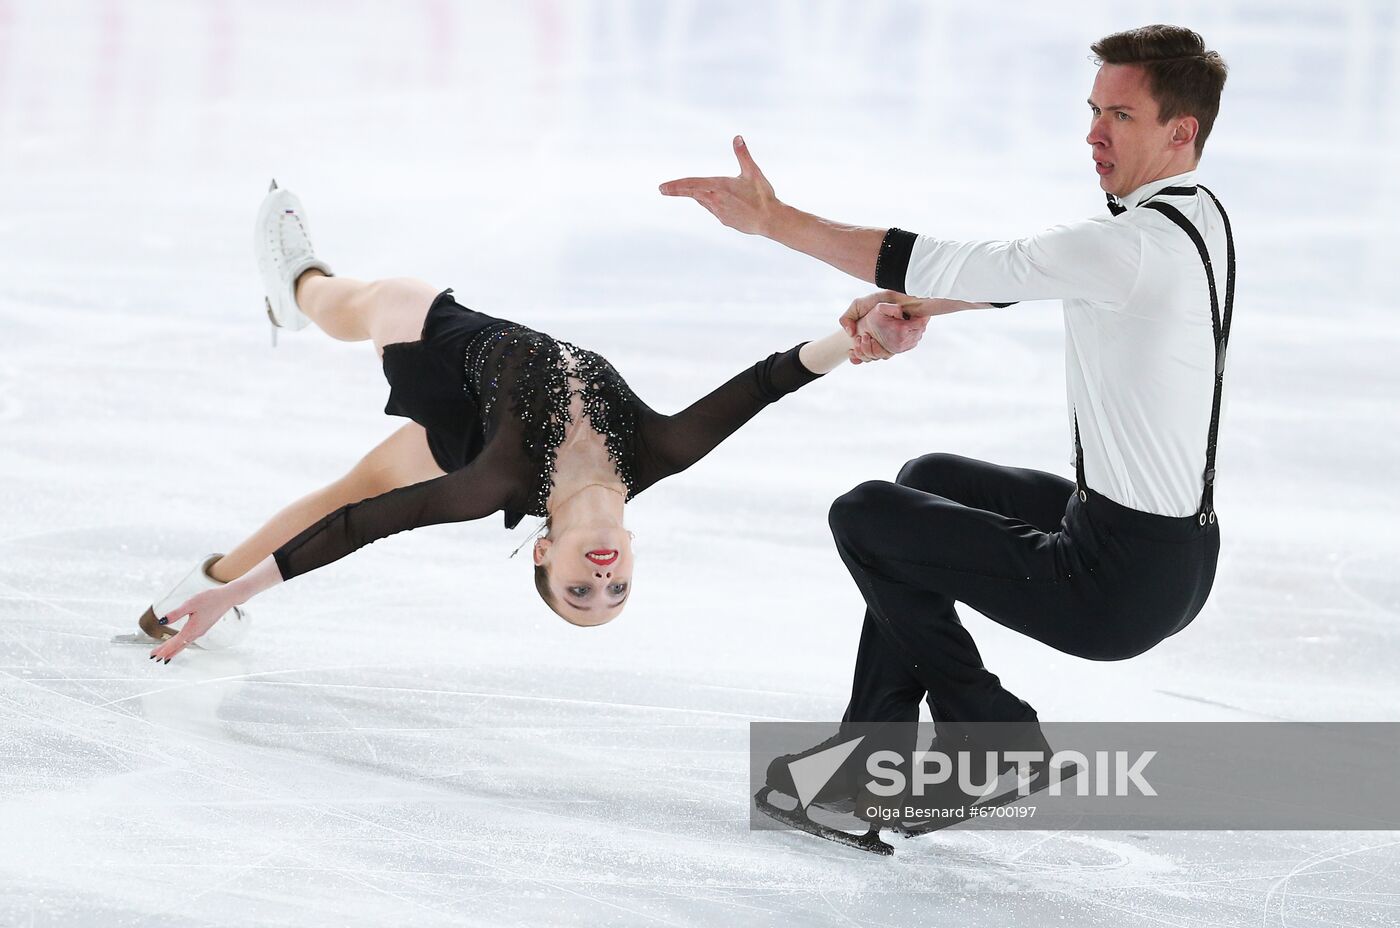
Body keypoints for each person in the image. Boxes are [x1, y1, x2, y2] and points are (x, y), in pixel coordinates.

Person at [661, 24, 1234, 845]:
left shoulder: (1131, 245)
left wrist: (776, 221)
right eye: (1094, 110)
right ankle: (871, 751)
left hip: (1117, 586)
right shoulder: (1190, 218)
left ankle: (991, 739)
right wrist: (923, 307)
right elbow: (1035, 273)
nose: (1093, 133)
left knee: (866, 515)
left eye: (1122, 115)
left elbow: (954, 259)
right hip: (1175, 555)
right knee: (930, 477)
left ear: (1182, 131)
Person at [139, 182, 956, 662]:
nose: (601, 576)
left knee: (376, 308)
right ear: (632, 556)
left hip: (450, 361)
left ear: (543, 551)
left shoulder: (495, 480)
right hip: (478, 411)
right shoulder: (661, 451)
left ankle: (300, 289)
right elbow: (768, 382)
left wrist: (255, 589)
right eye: (616, 587)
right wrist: (857, 339)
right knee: (359, 477)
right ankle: (198, 593)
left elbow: (361, 527)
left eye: (579, 588)